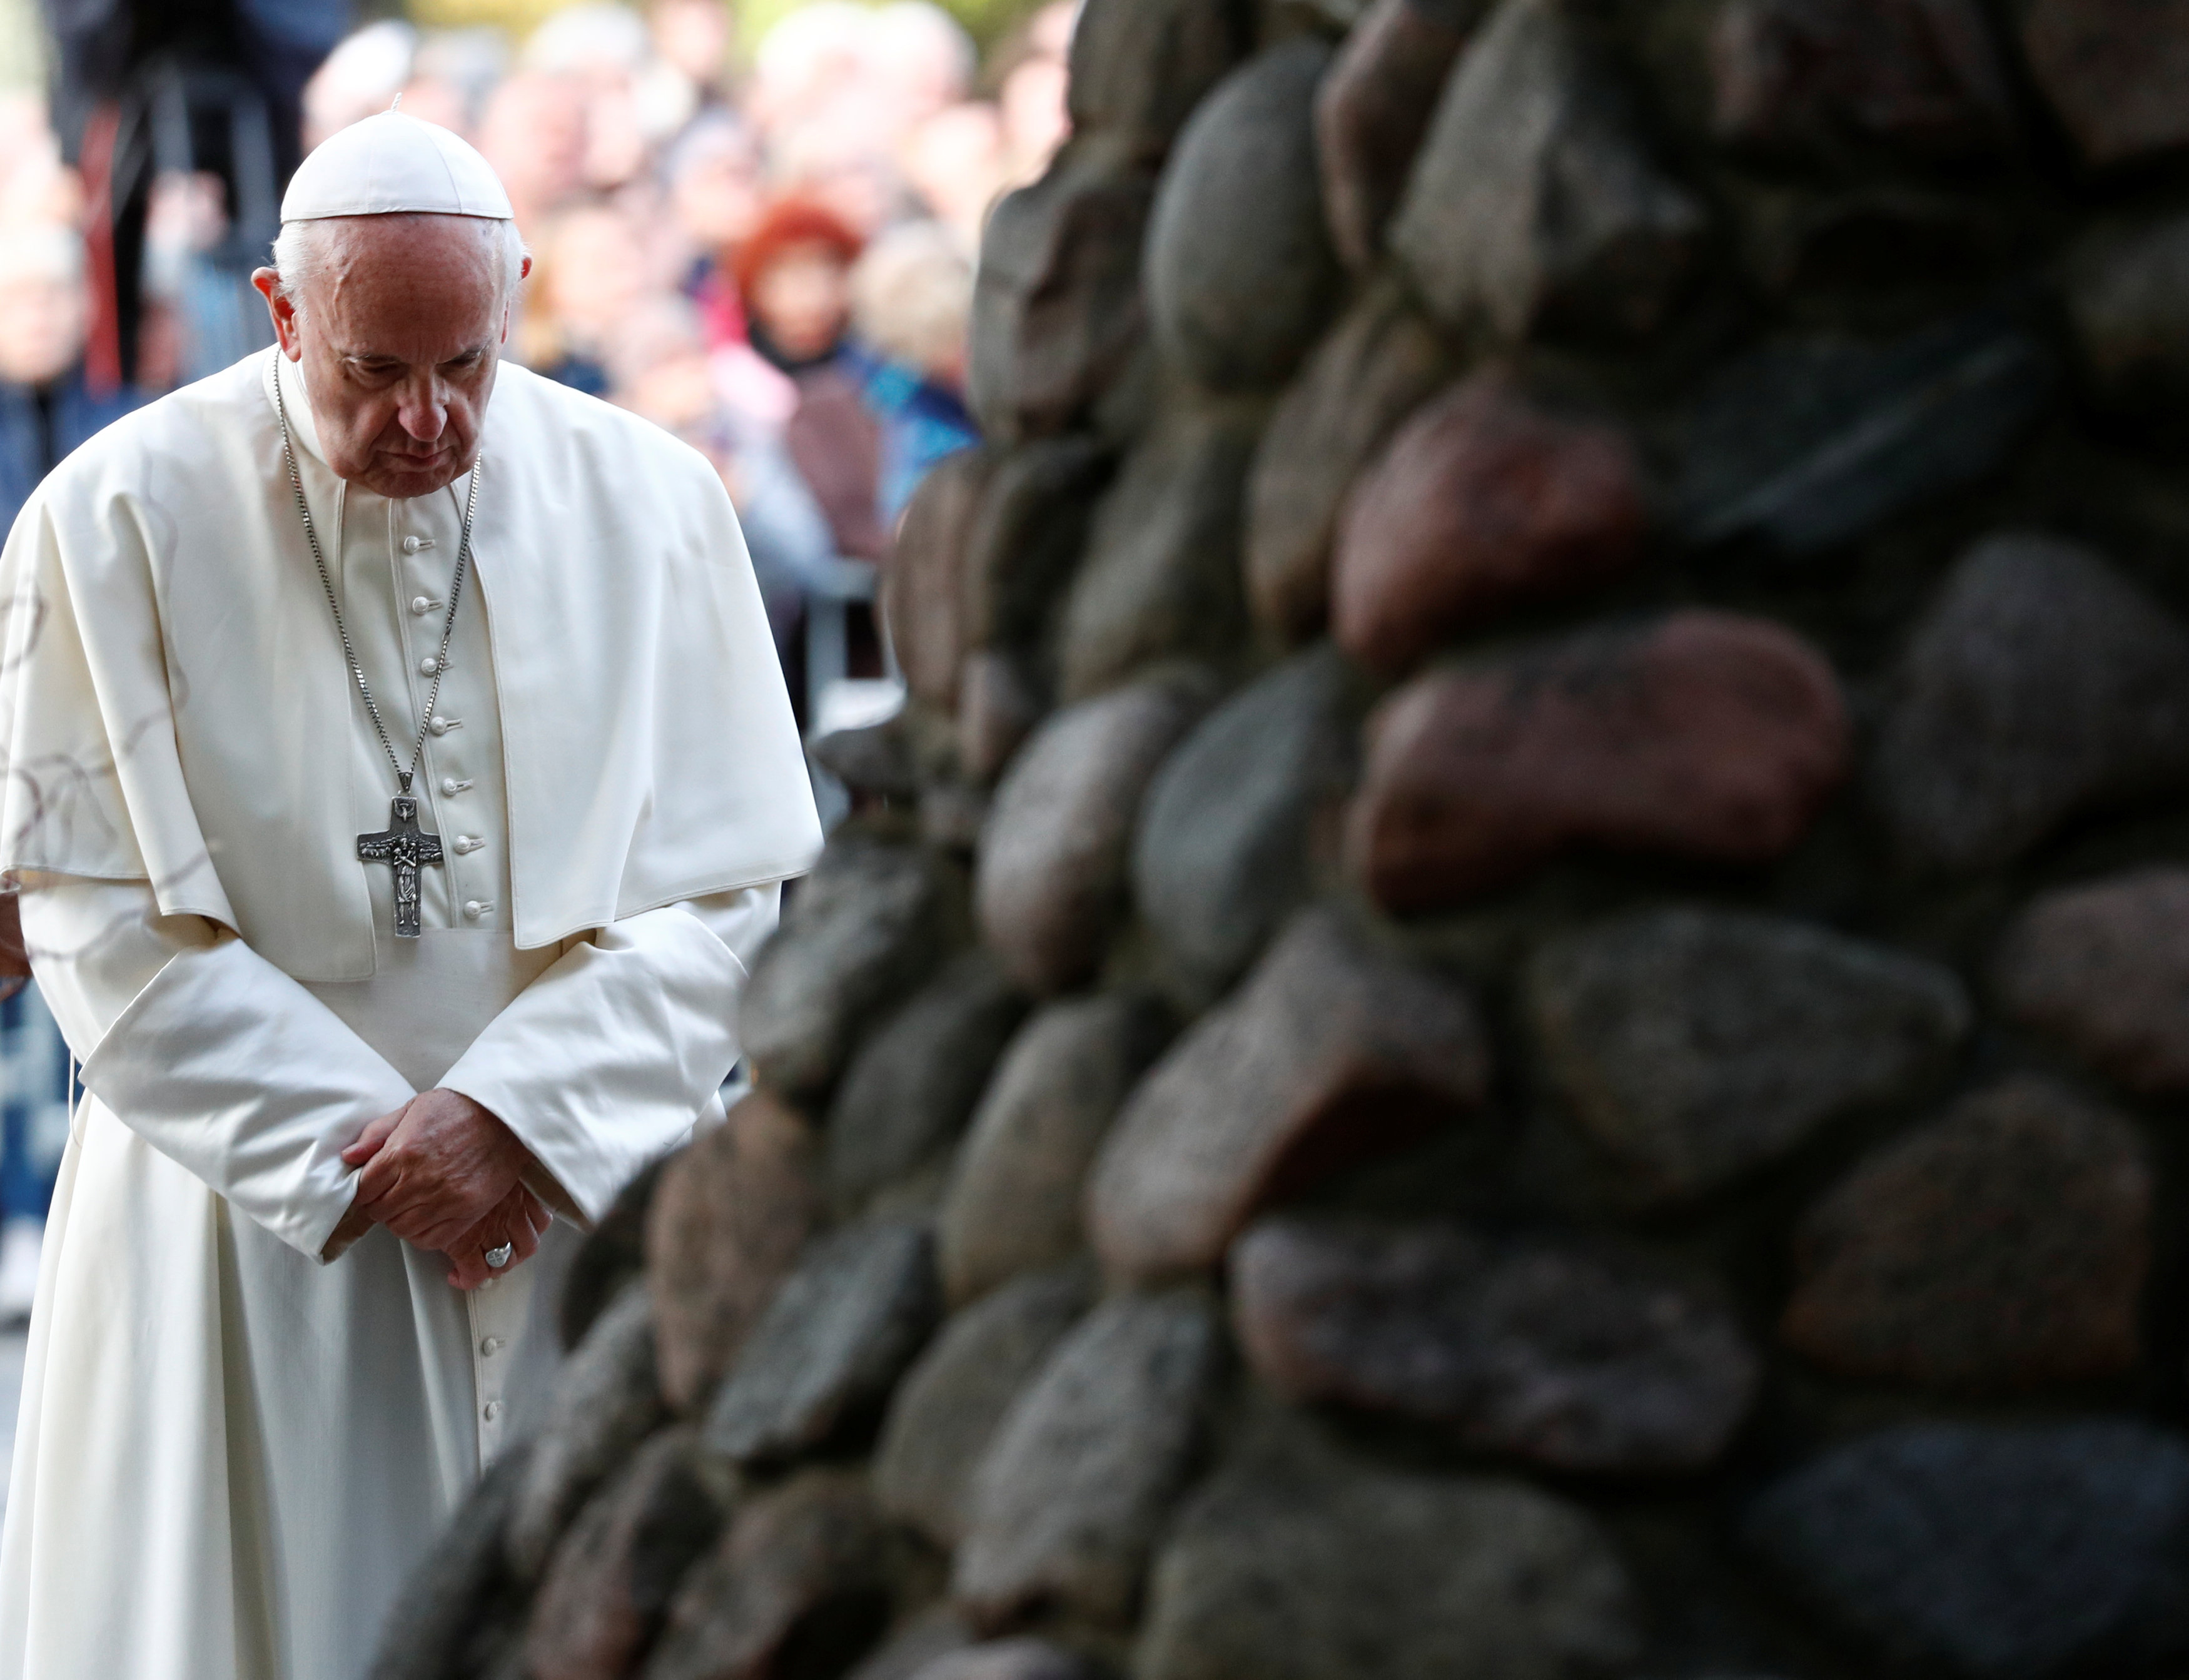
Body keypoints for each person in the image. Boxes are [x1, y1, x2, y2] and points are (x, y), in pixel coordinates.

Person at [0, 111, 819, 1679]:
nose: (430, 420)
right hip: (249, 1237)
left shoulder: (656, 503)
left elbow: (731, 888)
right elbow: (93, 915)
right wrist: (369, 1150)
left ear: (514, 296)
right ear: (280, 308)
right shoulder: (107, 520)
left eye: (468, 364)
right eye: (375, 372)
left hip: (578, 1184)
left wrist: (512, 1112)